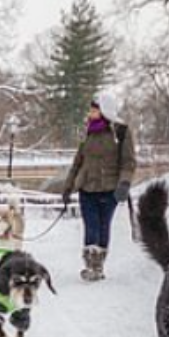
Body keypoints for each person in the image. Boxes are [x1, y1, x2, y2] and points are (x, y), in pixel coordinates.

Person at [61, 92, 137, 281]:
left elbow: (129, 162)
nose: (90, 113)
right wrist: (68, 186)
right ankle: (91, 266)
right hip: (87, 189)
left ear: (104, 111)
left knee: (104, 226)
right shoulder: (88, 133)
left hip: (110, 188)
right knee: (91, 225)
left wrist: (125, 183)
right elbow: (78, 162)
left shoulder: (121, 132)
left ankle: (99, 265)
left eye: (93, 109)